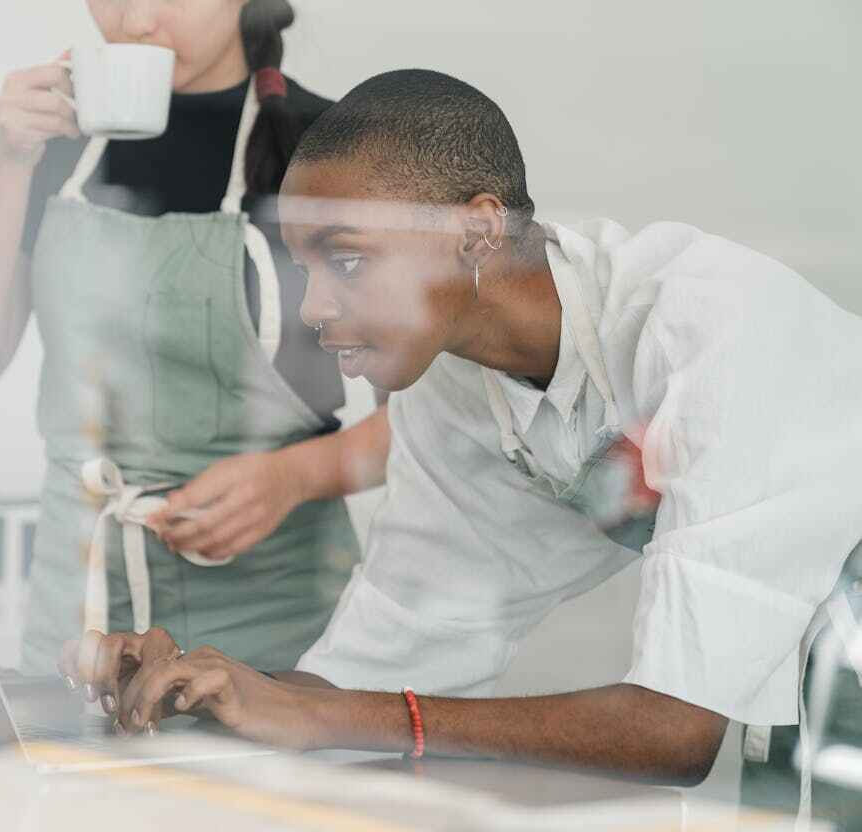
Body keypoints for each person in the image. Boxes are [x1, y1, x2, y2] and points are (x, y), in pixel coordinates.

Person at [58, 69, 862, 819]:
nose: (311, 308)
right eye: (305, 268)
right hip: (820, 702)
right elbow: (380, 665)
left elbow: (674, 733)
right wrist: (209, 692)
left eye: (345, 259)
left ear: (476, 229)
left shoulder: (712, 329)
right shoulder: (454, 392)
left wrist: (331, 712)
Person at [0, 1, 385, 676]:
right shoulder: (54, 142)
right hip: (76, 633)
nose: (135, 22)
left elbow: (436, 424)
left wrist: (293, 476)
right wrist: (9, 159)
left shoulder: (330, 149)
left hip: (281, 647)